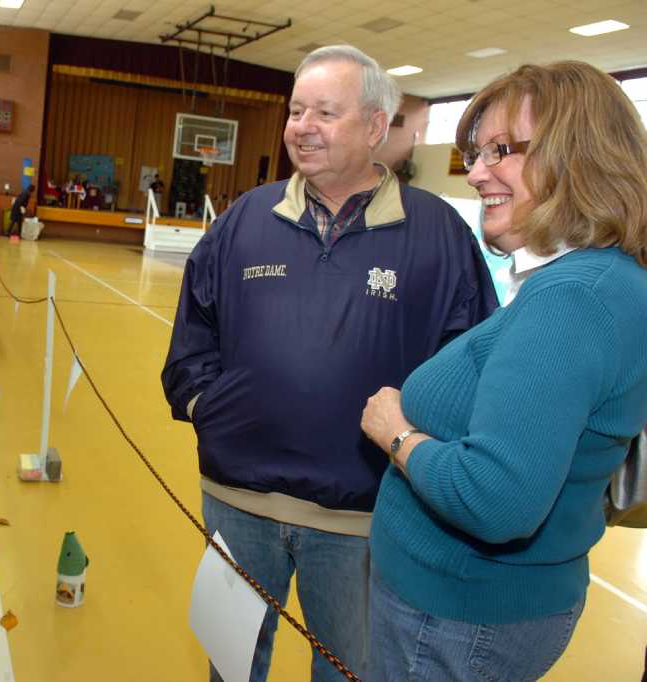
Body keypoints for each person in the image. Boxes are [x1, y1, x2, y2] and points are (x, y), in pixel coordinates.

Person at [160, 44, 498, 682]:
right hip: (239, 502)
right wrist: (210, 408)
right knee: (230, 666)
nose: (302, 126)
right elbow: (191, 337)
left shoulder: (439, 234)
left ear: (375, 126)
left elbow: (473, 364)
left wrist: (417, 448)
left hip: (364, 518)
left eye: (324, 112)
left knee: (350, 669)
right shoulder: (242, 222)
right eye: (296, 111)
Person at [361, 60, 647, 682]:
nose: (476, 171)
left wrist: (396, 432)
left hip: (454, 620)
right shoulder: (600, 280)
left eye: (500, 150)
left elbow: (497, 500)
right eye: (476, 151)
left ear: (577, 156)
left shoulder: (574, 298)